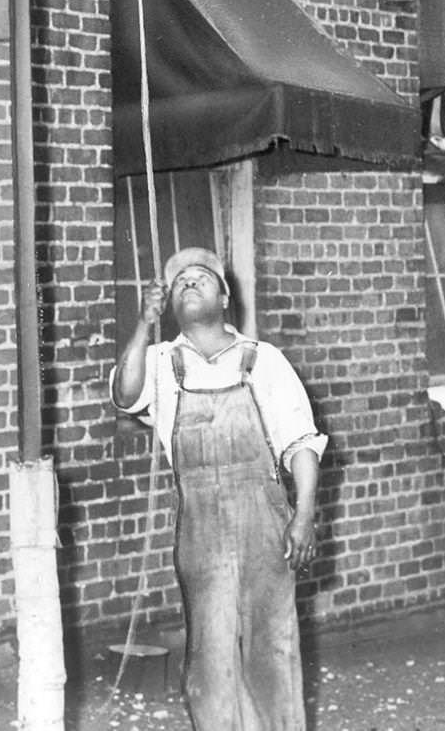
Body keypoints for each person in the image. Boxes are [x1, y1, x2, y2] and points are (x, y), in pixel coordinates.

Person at [111, 245, 326, 731]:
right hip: (200, 529)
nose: (189, 282)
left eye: (202, 276)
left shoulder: (263, 360)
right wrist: (144, 322)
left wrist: (304, 515)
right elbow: (125, 395)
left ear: (225, 296)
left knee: (272, 648)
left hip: (264, 522)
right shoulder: (160, 362)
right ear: (170, 302)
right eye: (180, 280)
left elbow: (301, 444)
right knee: (209, 658)